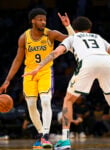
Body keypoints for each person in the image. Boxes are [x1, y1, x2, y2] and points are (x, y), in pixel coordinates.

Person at [23, 16, 110, 149]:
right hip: (106, 62)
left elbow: (56, 52)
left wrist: (38, 67)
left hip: (87, 63)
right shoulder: (98, 38)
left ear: (75, 29)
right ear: (89, 29)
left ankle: (65, 140)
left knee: (68, 100)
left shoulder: (72, 38)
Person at [0, 8, 74, 149]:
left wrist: (67, 26)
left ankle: (46, 135)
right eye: (40, 19)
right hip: (29, 73)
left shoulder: (51, 34)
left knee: (46, 101)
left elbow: (72, 40)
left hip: (45, 71)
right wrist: (7, 79)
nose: (43, 22)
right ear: (33, 21)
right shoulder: (24, 38)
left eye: (44, 19)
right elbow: (17, 60)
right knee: (32, 105)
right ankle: (41, 135)